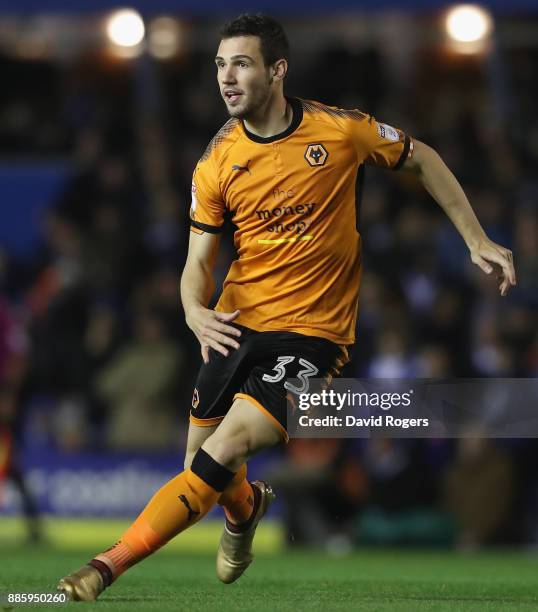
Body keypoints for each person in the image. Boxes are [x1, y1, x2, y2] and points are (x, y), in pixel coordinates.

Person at [57, 13, 516, 600]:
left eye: (241, 63)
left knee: (223, 451)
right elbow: (198, 262)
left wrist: (475, 238)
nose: (226, 77)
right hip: (235, 326)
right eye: (220, 64)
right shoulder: (217, 161)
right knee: (201, 465)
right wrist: (194, 312)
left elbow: (422, 156)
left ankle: (103, 568)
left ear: (278, 70)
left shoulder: (339, 131)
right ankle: (245, 511)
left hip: (312, 336)